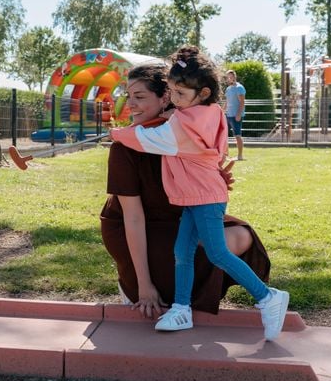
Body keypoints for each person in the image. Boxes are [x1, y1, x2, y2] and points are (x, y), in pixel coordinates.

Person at [110, 46, 289, 341]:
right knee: (183, 252)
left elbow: (147, 138)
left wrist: (116, 133)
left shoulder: (181, 125)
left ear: (202, 93)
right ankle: (181, 309)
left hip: (203, 197)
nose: (176, 100)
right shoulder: (201, 113)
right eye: (173, 92)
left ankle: (268, 297)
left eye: (179, 94)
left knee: (216, 252)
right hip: (195, 197)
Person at [224, 70, 246, 161]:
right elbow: (227, 102)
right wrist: (222, 112)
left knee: (237, 135)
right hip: (228, 115)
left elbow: (242, 102)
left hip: (236, 115)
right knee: (224, 135)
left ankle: (240, 156)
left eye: (231, 76)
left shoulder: (239, 87)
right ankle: (225, 156)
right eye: (228, 77)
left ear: (234, 76)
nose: (230, 78)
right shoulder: (228, 89)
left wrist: (238, 114)